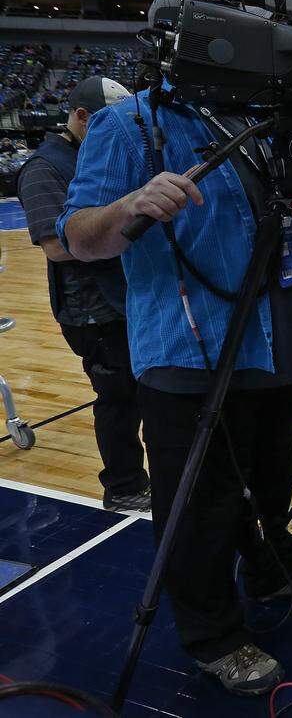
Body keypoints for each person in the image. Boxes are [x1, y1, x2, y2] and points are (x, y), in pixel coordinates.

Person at [57, 0, 292, 695]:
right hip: (187, 353)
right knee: (200, 506)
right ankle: (213, 634)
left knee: (275, 476)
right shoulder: (127, 127)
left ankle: (274, 571)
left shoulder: (262, 120)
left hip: (271, 340)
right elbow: (75, 237)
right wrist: (128, 206)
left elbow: (282, 221)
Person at [16, 76, 150, 512]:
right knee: (119, 400)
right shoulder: (43, 168)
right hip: (91, 309)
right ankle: (125, 486)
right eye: (108, 122)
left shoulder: (97, 154)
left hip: (127, 296)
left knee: (148, 392)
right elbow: (57, 246)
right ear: (80, 117)